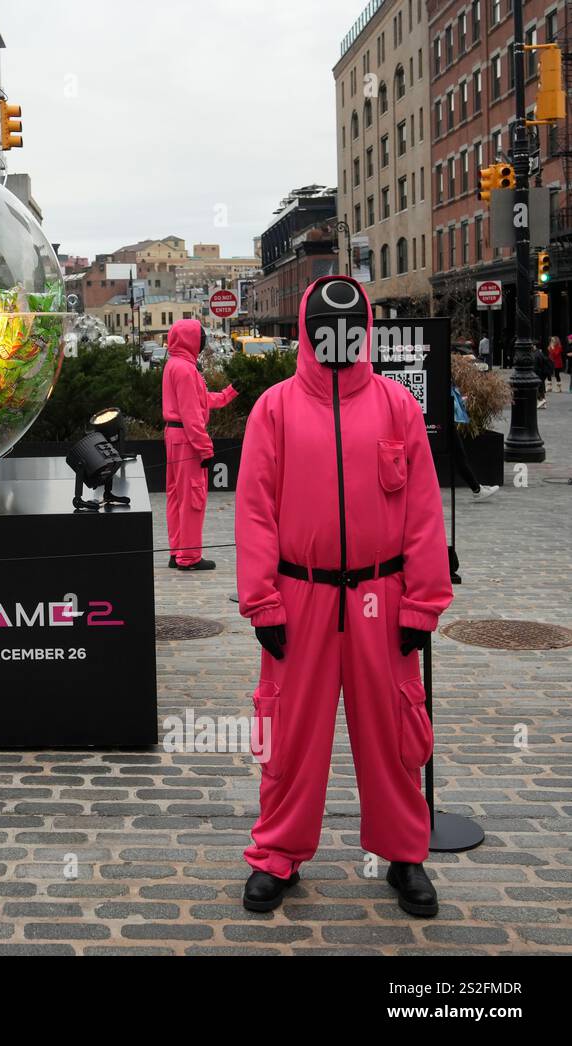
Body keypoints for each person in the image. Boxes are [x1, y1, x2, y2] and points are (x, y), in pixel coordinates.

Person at [236, 274, 452, 918]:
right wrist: (262, 602)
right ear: (308, 331)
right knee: (289, 733)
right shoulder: (273, 408)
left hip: (382, 599)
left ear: (364, 332)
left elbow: (421, 511)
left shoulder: (396, 407)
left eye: (351, 327)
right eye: (327, 328)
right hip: (299, 597)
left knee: (393, 731)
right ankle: (277, 853)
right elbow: (253, 512)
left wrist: (422, 603)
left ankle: (405, 853)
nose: (338, 338)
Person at [162, 320, 237, 570]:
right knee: (193, 499)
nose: (203, 341)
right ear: (191, 339)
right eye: (200, 336)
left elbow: (199, 400)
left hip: (175, 438)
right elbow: (193, 414)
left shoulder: (175, 365)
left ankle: (177, 552)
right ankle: (189, 557)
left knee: (176, 497)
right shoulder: (185, 369)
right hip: (187, 440)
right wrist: (205, 449)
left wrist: (228, 394)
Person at [450, 385, 498, 503]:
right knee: (458, 456)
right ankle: (477, 489)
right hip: (444, 420)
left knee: (457, 456)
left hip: (442, 419)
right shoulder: (440, 373)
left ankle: (477, 488)